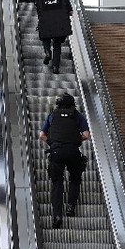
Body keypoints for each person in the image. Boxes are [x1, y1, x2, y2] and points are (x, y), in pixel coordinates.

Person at [38, 92, 90, 229]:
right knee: (75, 178)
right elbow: (86, 135)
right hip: (73, 151)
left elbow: (41, 135)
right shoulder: (77, 115)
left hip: (56, 151)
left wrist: (52, 142)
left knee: (57, 182)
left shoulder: (52, 115)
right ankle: (71, 206)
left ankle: (57, 215)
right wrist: (75, 139)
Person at [35, 0, 73, 74]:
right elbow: (70, 12)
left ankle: (47, 52)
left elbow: (39, 12)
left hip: (46, 24)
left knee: (45, 38)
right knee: (57, 45)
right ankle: (55, 66)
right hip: (60, 25)